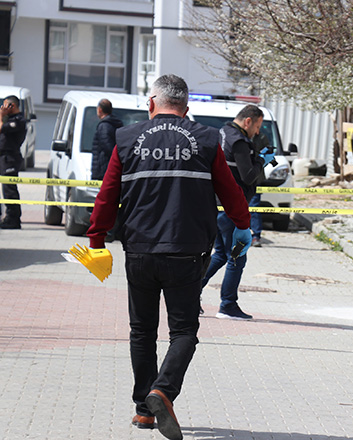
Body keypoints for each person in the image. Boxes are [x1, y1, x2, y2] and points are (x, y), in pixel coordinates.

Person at [86, 74, 251, 440]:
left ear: (151, 104)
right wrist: (243, 225)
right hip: (187, 252)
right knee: (184, 331)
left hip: (140, 250)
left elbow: (107, 193)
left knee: (142, 330)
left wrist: (96, 238)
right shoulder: (206, 139)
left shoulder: (127, 138)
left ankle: (144, 411)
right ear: (186, 108)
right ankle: (163, 391)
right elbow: (230, 190)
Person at [200, 105, 275, 319]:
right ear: (248, 121)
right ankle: (228, 305)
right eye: (257, 126)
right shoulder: (239, 141)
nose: (257, 132)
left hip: (215, 205)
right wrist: (262, 159)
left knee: (221, 254)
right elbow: (248, 175)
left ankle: (191, 293)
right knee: (237, 257)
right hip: (231, 208)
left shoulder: (221, 133)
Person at [0, 95, 27, 229]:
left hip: (10, 158)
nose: (2, 108)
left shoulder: (19, 120)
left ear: (12, 106)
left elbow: (1, 128)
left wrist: (1, 116)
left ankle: (13, 219)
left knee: (9, 189)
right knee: (5, 189)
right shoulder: (8, 118)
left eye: (5, 105)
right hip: (3, 157)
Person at [91, 98, 123, 180]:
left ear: (100, 110)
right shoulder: (115, 124)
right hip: (111, 167)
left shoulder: (104, 126)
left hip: (104, 168)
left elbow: (107, 147)